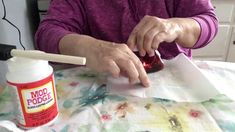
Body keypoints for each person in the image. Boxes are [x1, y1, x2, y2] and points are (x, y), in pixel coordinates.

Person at [35, 0, 218, 87]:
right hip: (105, 84)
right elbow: (47, 33)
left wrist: (178, 26)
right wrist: (91, 47)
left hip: (175, 84)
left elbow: (209, 22)